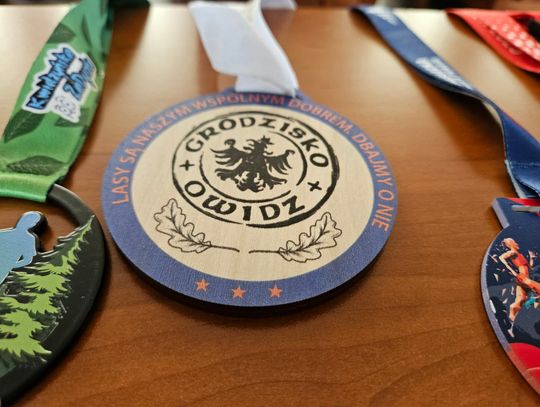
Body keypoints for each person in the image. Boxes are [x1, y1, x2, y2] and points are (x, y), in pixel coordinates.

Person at [499, 238, 540, 321]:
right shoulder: (512, 252)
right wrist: (512, 271)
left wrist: (531, 258)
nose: (517, 244)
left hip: (526, 278)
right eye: (515, 242)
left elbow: (530, 268)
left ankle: (512, 316)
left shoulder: (519, 254)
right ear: (510, 244)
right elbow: (501, 257)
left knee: (521, 299)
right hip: (522, 278)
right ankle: (528, 305)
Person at [0, 211, 42, 285]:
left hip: (5, 268)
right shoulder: (2, 233)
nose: (26, 223)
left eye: (33, 222)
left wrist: (11, 266)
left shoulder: (29, 239)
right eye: (25, 219)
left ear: (34, 224)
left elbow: (28, 259)